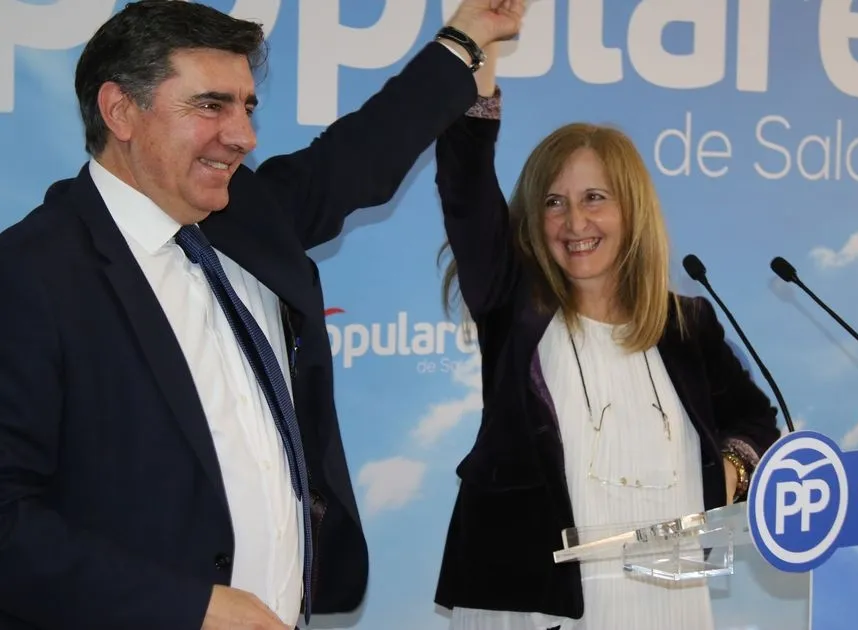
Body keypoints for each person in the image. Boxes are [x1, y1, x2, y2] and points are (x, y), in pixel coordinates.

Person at [0, 1, 524, 629]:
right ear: (120, 111)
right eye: (210, 105)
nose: (243, 136)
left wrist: (467, 36)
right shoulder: (30, 276)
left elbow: (366, 151)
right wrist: (192, 609)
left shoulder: (246, 215)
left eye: (247, 107)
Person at [431, 43, 781, 629]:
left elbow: (756, 420)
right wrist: (477, 58)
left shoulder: (686, 324)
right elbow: (465, 187)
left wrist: (732, 471)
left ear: (632, 209)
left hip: (667, 600)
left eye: (594, 198)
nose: (575, 222)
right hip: (537, 608)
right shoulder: (513, 306)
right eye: (554, 203)